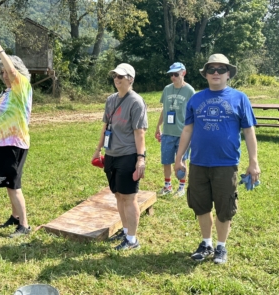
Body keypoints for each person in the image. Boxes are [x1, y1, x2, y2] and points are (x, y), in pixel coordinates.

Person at [174, 54, 260, 264]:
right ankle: (206, 243)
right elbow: (187, 130)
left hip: (226, 164)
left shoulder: (240, 98)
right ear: (206, 75)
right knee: (200, 205)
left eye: (220, 69)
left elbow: (249, 132)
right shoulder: (196, 99)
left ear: (228, 74)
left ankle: (221, 247)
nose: (215, 73)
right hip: (199, 163)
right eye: (211, 69)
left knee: (224, 207)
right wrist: (179, 158)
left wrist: (253, 162)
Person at [0, 31, 33, 238]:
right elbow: (0, 115)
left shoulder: (22, 86)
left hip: (14, 143)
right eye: (1, 72)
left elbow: (11, 70)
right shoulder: (6, 92)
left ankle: (25, 226)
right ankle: (15, 217)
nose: (4, 75)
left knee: (13, 184)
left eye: (7, 71)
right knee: (7, 183)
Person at [92, 63, 148, 250]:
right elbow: (105, 127)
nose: (117, 79)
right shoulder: (110, 100)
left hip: (128, 155)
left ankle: (132, 240)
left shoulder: (136, 102)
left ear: (130, 79)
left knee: (129, 197)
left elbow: (139, 133)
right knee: (118, 195)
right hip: (111, 154)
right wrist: (98, 150)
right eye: (115, 76)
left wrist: (140, 158)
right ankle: (125, 232)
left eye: (121, 76)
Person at [155, 62, 195, 197]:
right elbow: (164, 109)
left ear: (183, 73)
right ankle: (167, 186)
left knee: (182, 161)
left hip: (183, 133)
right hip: (167, 132)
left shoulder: (190, 91)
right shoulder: (167, 89)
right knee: (166, 160)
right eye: (171, 74)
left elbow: (194, 113)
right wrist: (158, 126)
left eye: (176, 74)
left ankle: (181, 187)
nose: (173, 77)